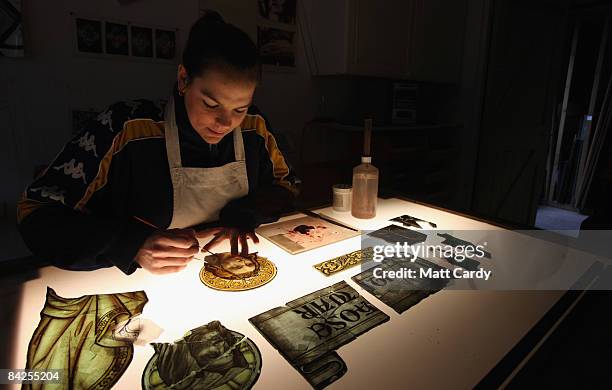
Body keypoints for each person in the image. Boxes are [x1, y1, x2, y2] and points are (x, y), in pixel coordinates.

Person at [17, 12, 298, 275]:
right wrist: (131, 245)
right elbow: (35, 214)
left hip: (221, 273)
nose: (225, 123)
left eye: (239, 108)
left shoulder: (254, 126)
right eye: (211, 104)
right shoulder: (125, 127)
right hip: (144, 282)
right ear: (183, 79)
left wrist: (246, 212)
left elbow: (287, 185)